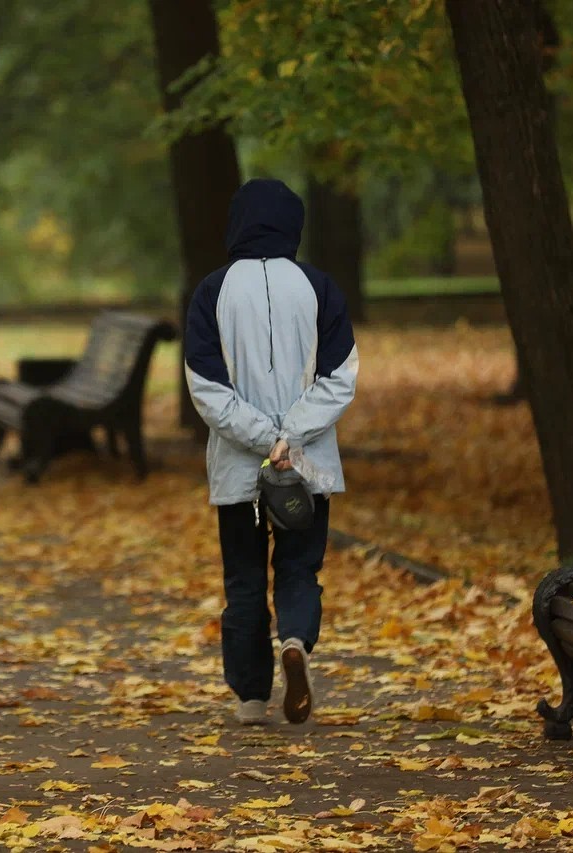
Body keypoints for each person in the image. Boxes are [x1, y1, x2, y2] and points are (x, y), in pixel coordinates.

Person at [184, 178, 359, 726]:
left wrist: (262, 440)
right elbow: (340, 378)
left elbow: (205, 386)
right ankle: (297, 642)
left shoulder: (212, 291)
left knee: (242, 579)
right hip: (305, 467)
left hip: (240, 467)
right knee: (300, 569)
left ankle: (251, 697)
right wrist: (289, 439)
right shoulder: (319, 287)